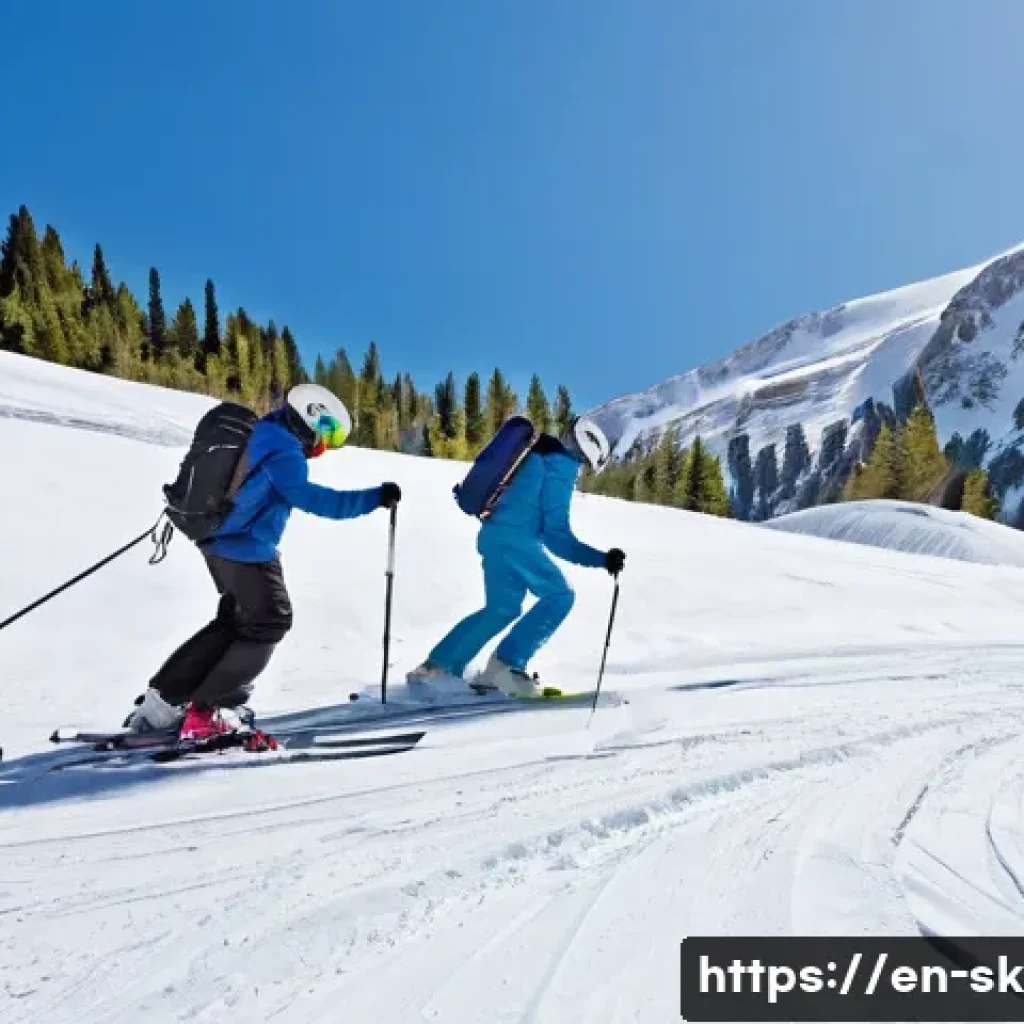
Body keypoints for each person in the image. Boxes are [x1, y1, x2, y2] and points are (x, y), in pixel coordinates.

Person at [126, 383, 401, 739]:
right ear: (309, 419)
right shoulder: (285, 451)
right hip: (246, 549)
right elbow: (317, 500)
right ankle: (211, 710)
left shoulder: (264, 434)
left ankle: (161, 704)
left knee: (233, 624)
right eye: (329, 433)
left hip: (218, 542)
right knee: (271, 620)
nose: (326, 445)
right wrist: (375, 498)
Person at [407, 415, 625, 696]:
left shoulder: (533, 454)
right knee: (560, 595)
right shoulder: (560, 467)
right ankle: (506, 667)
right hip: (517, 542)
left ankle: (437, 668)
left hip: (494, 537)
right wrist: (602, 559)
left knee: (502, 608)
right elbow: (557, 538)